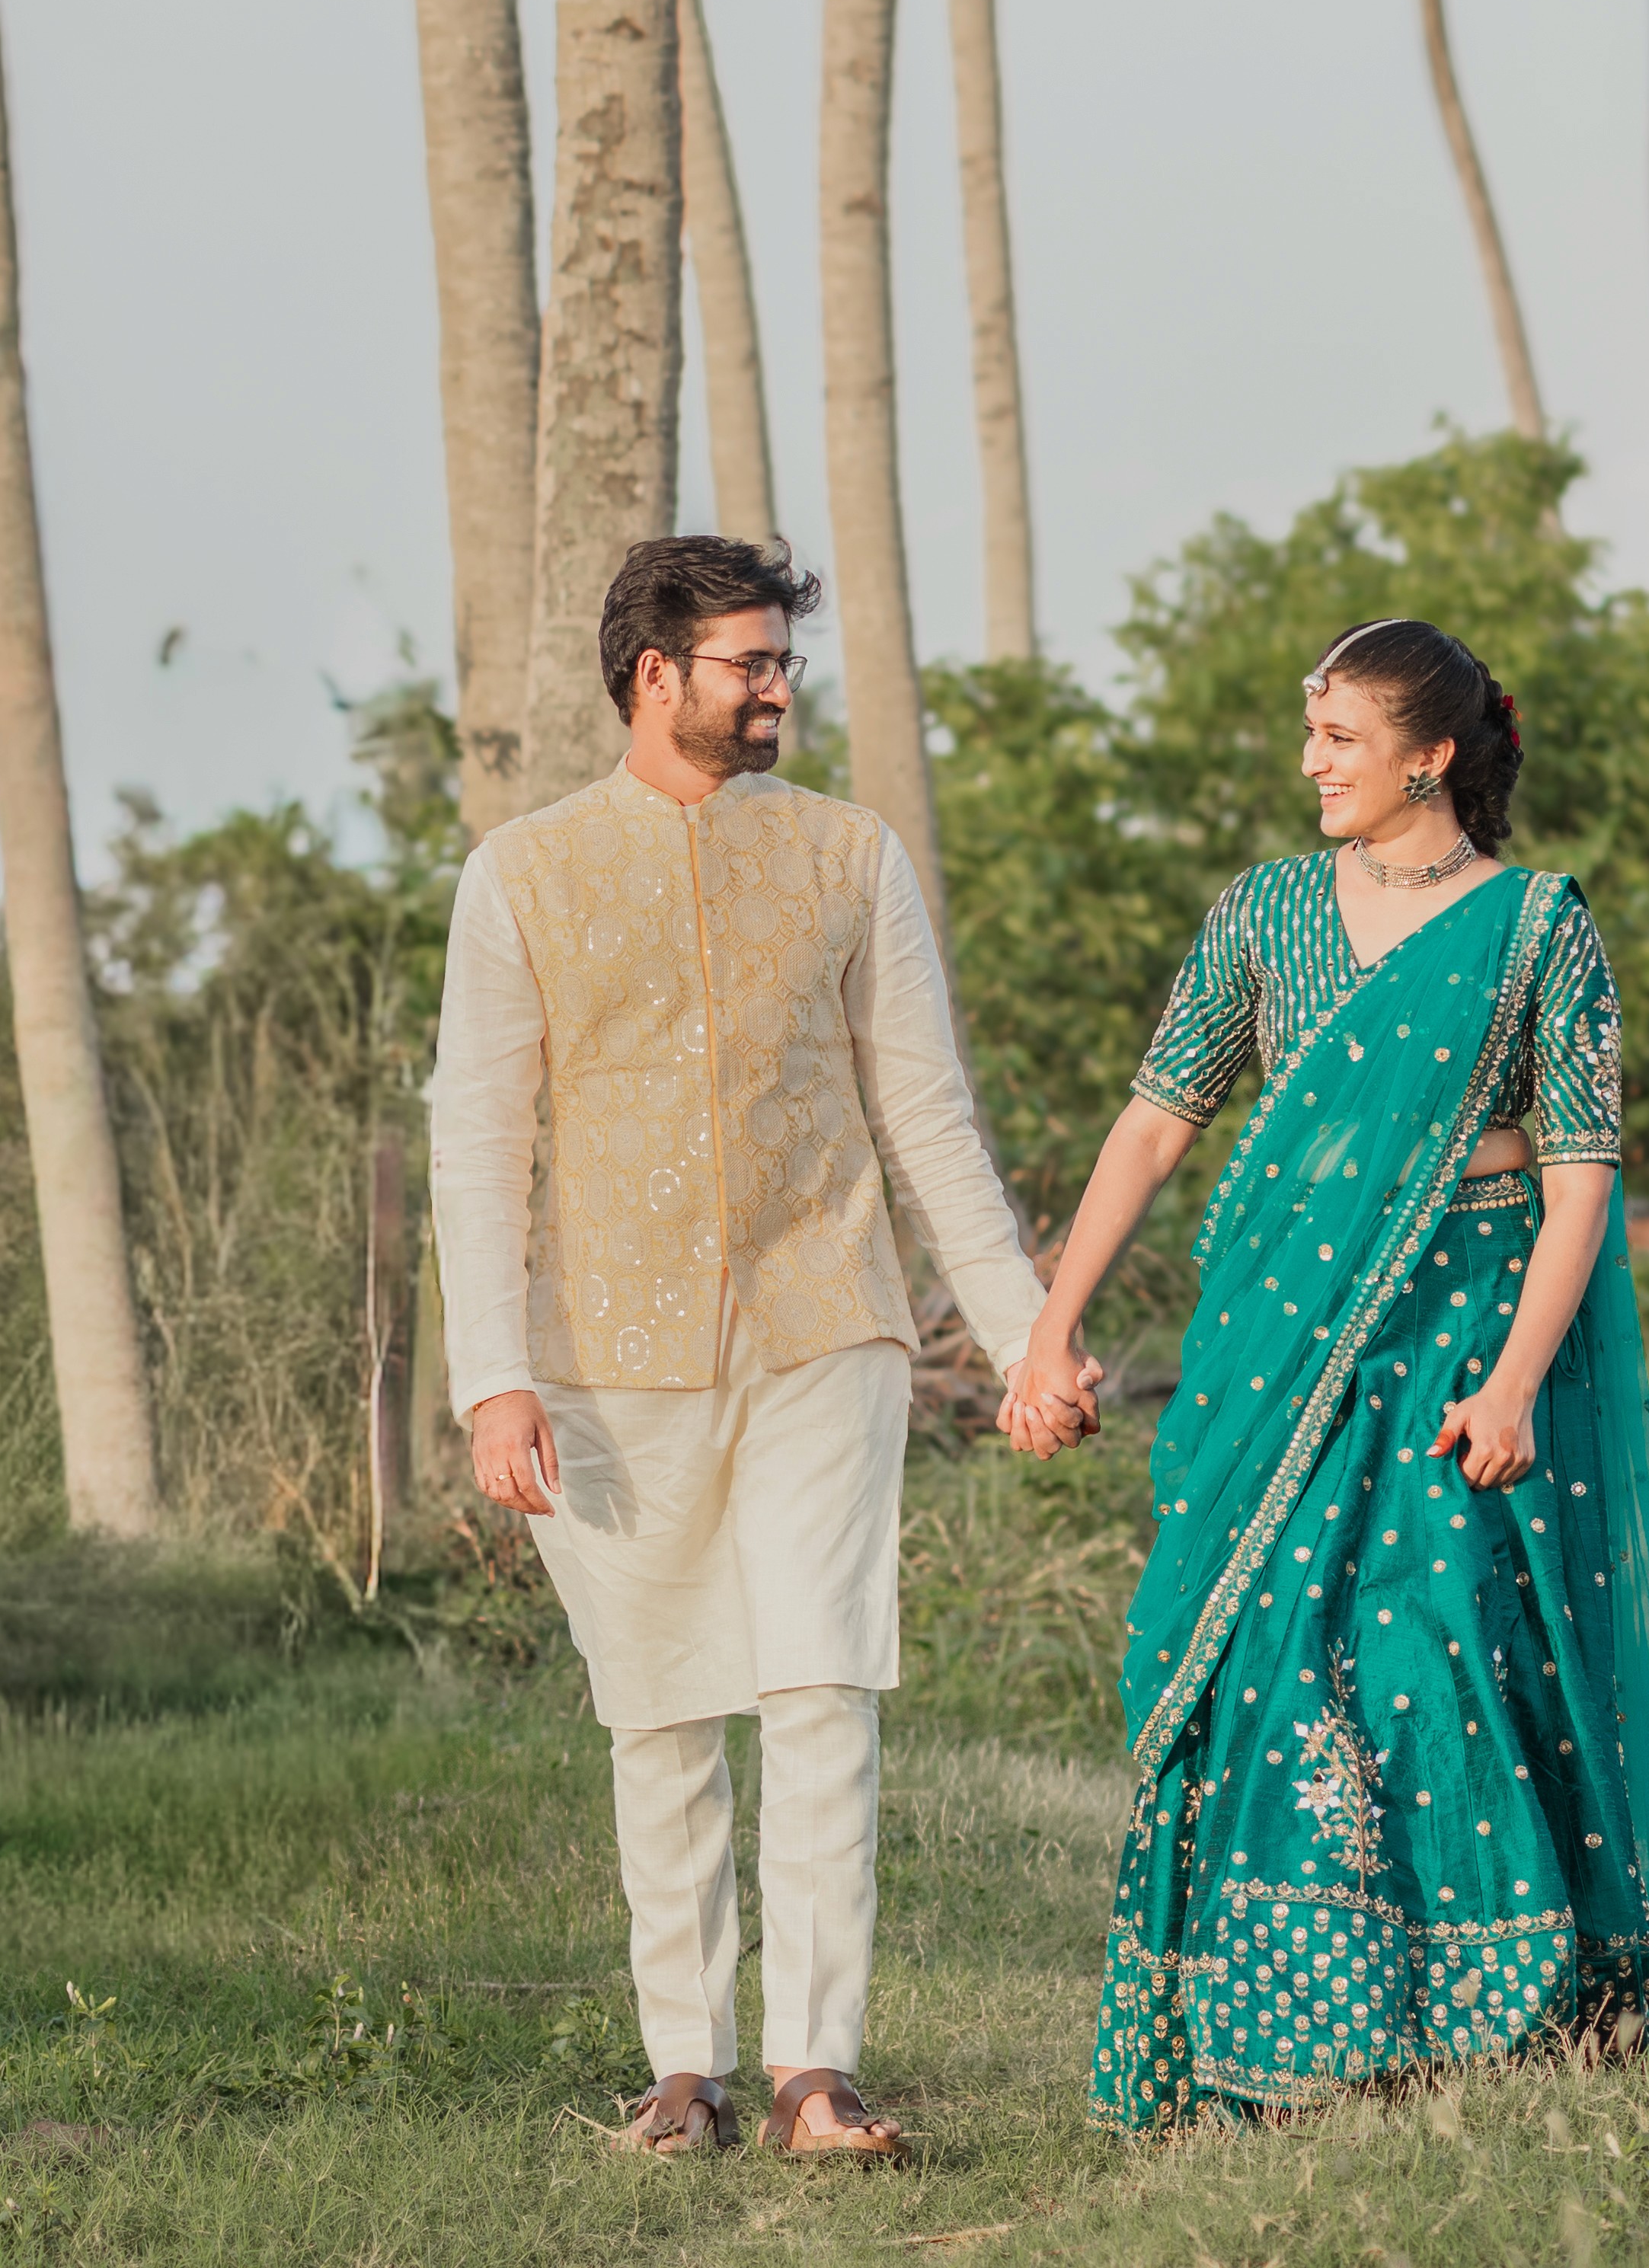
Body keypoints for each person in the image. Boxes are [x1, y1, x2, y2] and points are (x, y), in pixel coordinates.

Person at [1002, 619, 1649, 2129]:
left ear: (1433, 754)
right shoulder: (1267, 910)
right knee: (1266, 1646)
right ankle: (1284, 2016)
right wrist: (1049, 1320)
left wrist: (1518, 1380)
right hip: (1280, 1334)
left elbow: (1582, 1175)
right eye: (1312, 733)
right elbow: (1157, 1118)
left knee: (1435, 1641)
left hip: (1466, 1325)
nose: (1312, 763)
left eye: (1340, 736)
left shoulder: (1537, 926)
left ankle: (1492, 2005)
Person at [428, 535, 1078, 2162]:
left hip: (822, 1322)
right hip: (601, 1351)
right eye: (752, 662)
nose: (780, 686)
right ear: (656, 675)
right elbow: (478, 1139)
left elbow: (925, 1112)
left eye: (785, 659)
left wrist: (1024, 1337)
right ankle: (684, 2065)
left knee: (820, 1684)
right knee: (658, 1709)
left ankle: (815, 2073)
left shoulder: (852, 855)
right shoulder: (523, 872)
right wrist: (491, 1377)